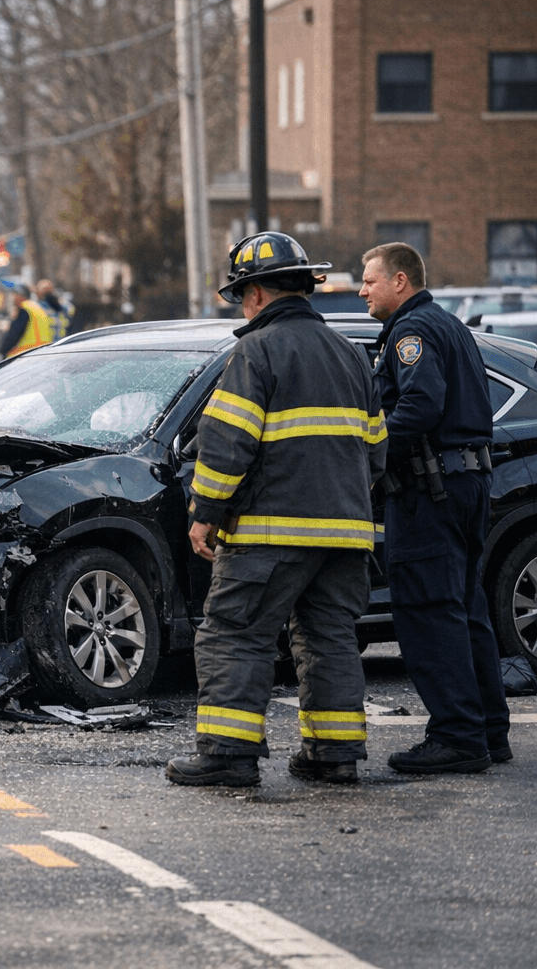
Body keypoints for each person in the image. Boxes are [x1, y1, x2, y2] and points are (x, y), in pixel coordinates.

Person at [165, 231, 387, 788]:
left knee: (234, 632)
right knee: (329, 637)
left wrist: (206, 512)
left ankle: (227, 755)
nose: (243, 307)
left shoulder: (256, 350)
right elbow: (378, 450)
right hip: (346, 535)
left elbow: (226, 443)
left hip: (269, 534)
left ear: (258, 295)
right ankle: (333, 755)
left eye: (242, 296)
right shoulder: (351, 355)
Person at [360, 241, 511, 774]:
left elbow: (421, 405)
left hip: (430, 493)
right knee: (465, 611)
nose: (362, 290)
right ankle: (489, 731)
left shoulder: (411, 332)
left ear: (400, 281)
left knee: (428, 612)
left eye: (370, 280)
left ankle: (457, 737)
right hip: (466, 486)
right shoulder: (450, 325)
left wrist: (369, 451)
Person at [0, 280, 54, 358]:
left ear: (21, 295)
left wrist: (3, 350)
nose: (13, 297)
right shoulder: (37, 308)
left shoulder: (24, 309)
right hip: (41, 353)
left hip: (24, 356)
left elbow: (14, 334)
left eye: (15, 294)